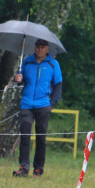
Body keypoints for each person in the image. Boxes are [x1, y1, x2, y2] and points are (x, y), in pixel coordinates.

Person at [13, 38, 63, 178]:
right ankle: (24, 167)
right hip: (26, 104)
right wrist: (17, 79)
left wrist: (51, 105)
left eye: (42, 47)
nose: (39, 50)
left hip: (43, 105)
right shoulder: (27, 61)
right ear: (34, 48)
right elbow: (20, 82)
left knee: (41, 137)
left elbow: (58, 85)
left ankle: (38, 168)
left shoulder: (53, 64)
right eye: (37, 47)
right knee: (25, 136)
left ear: (47, 49)